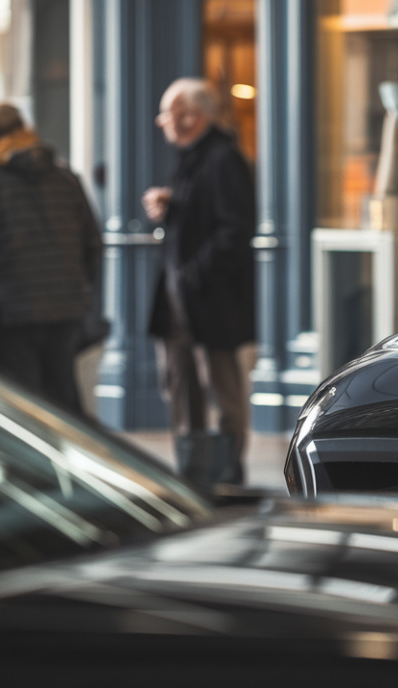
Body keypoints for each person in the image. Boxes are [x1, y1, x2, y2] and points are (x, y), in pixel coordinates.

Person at [0, 102, 102, 413]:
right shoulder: (64, 177)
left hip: (11, 312)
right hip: (65, 308)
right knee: (62, 406)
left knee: (18, 409)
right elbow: (92, 244)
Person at [144, 78, 255, 490]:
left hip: (210, 301)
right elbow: (204, 212)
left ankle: (226, 472)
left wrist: (195, 276)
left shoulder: (223, 158)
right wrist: (173, 206)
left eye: (166, 115)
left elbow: (232, 229)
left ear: (190, 116)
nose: (162, 124)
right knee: (181, 385)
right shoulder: (192, 158)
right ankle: (194, 472)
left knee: (221, 388)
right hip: (179, 302)